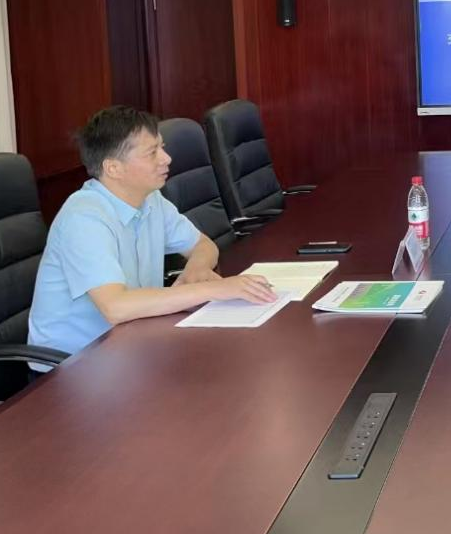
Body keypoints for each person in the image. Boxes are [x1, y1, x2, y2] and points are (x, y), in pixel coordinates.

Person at [28, 106, 277, 358]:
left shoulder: (150, 199)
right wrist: (216, 289)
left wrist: (197, 269)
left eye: (162, 147)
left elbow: (203, 245)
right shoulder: (84, 217)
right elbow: (115, 307)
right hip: (75, 364)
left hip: (133, 342)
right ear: (113, 168)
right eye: (152, 153)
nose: (166, 158)